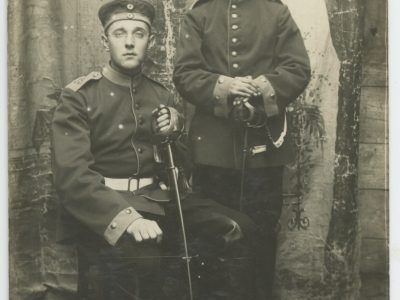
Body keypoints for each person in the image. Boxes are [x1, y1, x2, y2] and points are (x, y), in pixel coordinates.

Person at [52, 1, 258, 299]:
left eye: (139, 33)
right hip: (104, 207)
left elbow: (183, 168)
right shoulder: (79, 97)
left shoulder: (160, 94)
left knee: (239, 228)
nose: (130, 41)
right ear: (105, 40)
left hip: (158, 198)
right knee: (144, 259)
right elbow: (72, 177)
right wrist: (129, 219)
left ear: (150, 41)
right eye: (120, 33)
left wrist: (172, 134)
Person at [173, 0, 311, 298]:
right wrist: (225, 87)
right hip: (213, 151)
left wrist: (260, 88)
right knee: (215, 236)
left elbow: (298, 68)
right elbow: (185, 73)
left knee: (260, 238)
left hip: (264, 149)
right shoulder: (200, 14)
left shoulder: (277, 12)